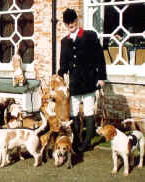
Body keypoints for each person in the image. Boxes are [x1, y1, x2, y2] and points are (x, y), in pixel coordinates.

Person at [58, 8, 107, 152]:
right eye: (68, 23)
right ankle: (76, 140)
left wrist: (101, 77)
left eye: (72, 21)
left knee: (88, 112)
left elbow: (100, 58)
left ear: (77, 20)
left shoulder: (89, 36)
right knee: (73, 112)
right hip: (74, 84)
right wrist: (59, 75)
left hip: (88, 81)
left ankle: (86, 143)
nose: (70, 24)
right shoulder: (64, 42)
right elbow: (63, 65)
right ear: (66, 24)